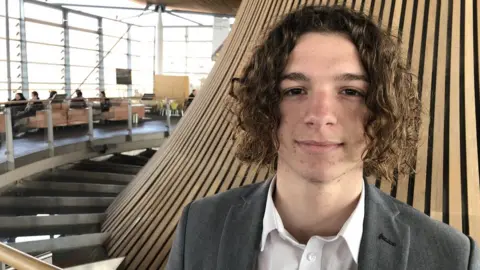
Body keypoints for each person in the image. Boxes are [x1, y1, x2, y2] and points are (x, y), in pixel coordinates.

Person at [166, 5, 479, 270]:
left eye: (351, 92)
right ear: (265, 105)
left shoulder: (450, 256)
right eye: (295, 90)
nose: (320, 114)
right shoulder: (200, 225)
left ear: (383, 109)